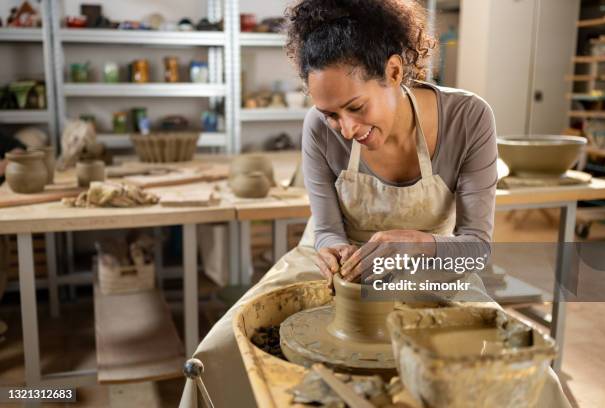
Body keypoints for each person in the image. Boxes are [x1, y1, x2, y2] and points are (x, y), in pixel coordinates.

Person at [181, 1, 570, 406]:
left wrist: (416, 247)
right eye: (331, 114)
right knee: (219, 351)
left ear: (395, 72)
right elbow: (328, 227)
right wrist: (331, 248)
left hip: (431, 262)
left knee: (532, 376)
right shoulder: (318, 128)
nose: (346, 129)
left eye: (355, 107)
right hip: (334, 264)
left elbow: (475, 248)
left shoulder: (469, 118)